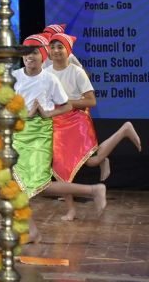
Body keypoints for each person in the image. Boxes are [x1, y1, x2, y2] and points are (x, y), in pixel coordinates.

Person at [0, 33, 107, 240]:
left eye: (35, 52)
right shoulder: (14, 76)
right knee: (17, 183)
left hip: (39, 134)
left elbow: (67, 106)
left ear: (42, 55)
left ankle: (92, 190)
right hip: (18, 132)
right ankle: (33, 230)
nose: (30, 56)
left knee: (36, 184)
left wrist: (47, 113)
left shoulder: (49, 79)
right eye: (26, 52)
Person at [46, 31, 141, 220]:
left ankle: (124, 130)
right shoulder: (46, 74)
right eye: (53, 47)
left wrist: (68, 103)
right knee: (61, 168)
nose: (56, 51)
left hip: (76, 120)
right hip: (56, 123)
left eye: (60, 47)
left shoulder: (77, 72)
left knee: (91, 161)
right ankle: (71, 210)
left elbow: (91, 101)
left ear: (68, 50)